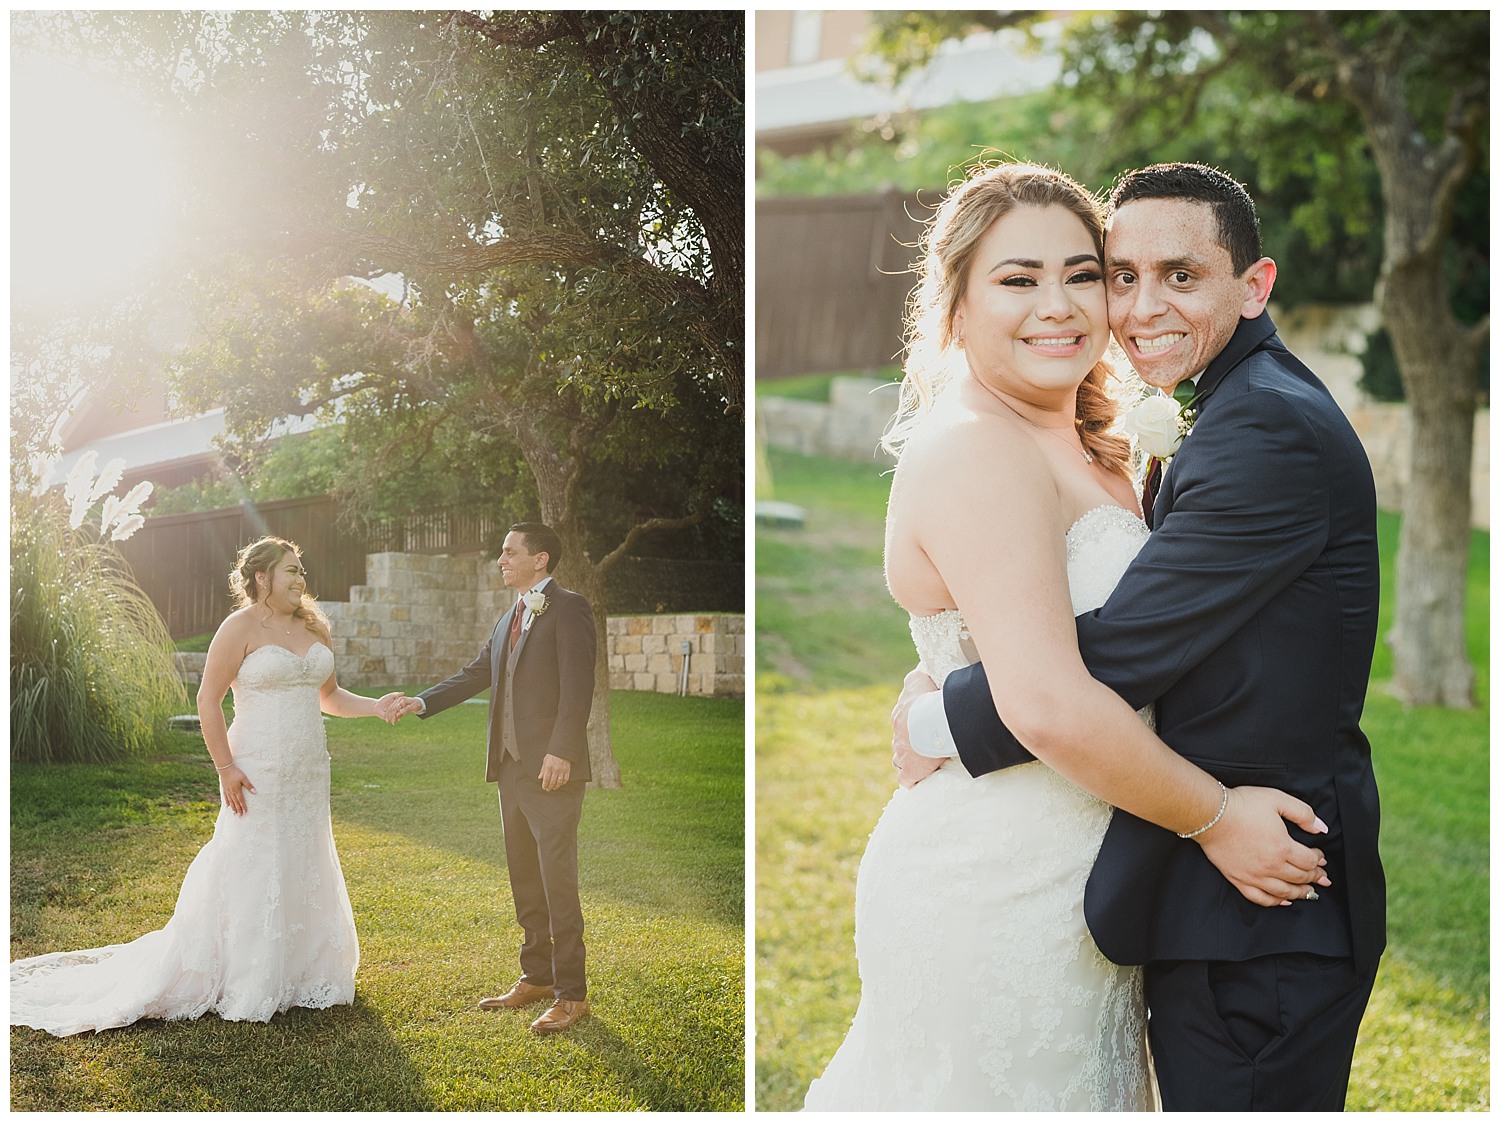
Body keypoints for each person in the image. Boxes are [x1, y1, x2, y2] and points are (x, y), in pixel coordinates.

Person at [802, 162, 1330, 1111]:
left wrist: (937, 701)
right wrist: (1215, 817)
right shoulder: (974, 445)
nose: (1062, 305)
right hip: (998, 886)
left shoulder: (1098, 441)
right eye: (1018, 278)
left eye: (1084, 274)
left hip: (1095, 885)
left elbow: (1065, 631)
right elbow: (1044, 700)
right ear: (956, 305)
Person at [11, 536, 399, 1036]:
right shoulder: (237, 628)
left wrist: (377, 705)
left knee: (304, 855)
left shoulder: (313, 625)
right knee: (252, 859)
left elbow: (328, 695)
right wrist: (225, 767)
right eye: (291, 571)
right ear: (262, 577)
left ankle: (306, 972)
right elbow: (208, 699)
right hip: (254, 768)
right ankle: (248, 972)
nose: (300, 579)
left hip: (308, 770)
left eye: (302, 570)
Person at [382, 521, 597, 1035]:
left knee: (557, 881)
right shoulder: (510, 618)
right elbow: (477, 673)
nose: (500, 560)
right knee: (525, 878)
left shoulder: (569, 608)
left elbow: (578, 685)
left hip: (550, 771)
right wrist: (422, 701)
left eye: (509, 552)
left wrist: (562, 751)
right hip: (510, 771)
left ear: (540, 559)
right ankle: (537, 976)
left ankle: (572, 994)